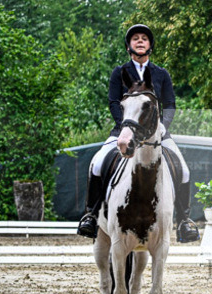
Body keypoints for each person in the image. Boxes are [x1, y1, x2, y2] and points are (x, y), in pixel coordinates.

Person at [76, 24, 200, 242]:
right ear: (129, 45)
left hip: (156, 134)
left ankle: (184, 220)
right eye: (135, 38)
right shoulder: (119, 72)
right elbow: (114, 102)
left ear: (150, 45)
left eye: (144, 38)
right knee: (96, 164)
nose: (140, 41)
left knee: (185, 169)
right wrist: (124, 127)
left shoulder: (161, 74)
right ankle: (91, 215)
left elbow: (170, 104)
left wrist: (164, 126)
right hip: (123, 132)